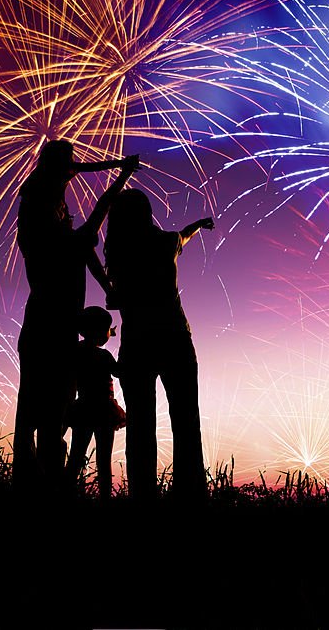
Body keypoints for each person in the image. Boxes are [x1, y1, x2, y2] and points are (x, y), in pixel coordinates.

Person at [13, 141, 139, 490]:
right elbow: (88, 233)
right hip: (48, 327)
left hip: (53, 326)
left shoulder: (48, 216)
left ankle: (45, 482)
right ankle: (42, 484)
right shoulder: (41, 219)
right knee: (44, 411)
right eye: (67, 169)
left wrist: (108, 287)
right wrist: (119, 178)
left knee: (50, 410)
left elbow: (85, 249)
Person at [103, 189, 213, 499]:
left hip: (137, 342)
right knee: (186, 421)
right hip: (175, 337)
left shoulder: (118, 255)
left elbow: (118, 298)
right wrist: (199, 224)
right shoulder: (166, 243)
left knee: (139, 426)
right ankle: (190, 495)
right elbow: (184, 236)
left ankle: (143, 496)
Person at [65, 306, 127, 500]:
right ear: (101, 332)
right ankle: (105, 497)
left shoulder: (76, 351)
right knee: (104, 458)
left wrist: (110, 332)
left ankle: (65, 492)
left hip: (83, 407)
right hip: (104, 410)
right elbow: (118, 371)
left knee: (76, 454)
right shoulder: (104, 355)